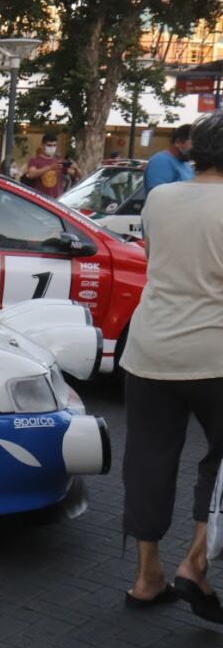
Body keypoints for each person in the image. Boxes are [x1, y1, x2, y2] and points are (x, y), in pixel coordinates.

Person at [120, 113, 223, 622]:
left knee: (148, 460)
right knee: (219, 463)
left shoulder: (161, 198)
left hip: (150, 349)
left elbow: (159, 257)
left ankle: (147, 575)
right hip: (214, 354)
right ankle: (195, 562)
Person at [22, 133, 78, 197]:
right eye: (49, 145)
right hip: (40, 199)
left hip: (56, 199)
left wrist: (76, 168)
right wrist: (50, 167)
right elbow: (31, 174)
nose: (52, 148)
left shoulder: (59, 160)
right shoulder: (34, 160)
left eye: (54, 145)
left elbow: (75, 174)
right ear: (42, 145)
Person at [145, 124, 194, 193]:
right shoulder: (160, 161)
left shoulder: (185, 163)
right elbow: (157, 196)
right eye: (193, 143)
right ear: (178, 142)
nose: (197, 148)